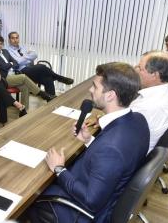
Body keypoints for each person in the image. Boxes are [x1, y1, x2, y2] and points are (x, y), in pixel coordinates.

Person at [28, 62, 149, 223]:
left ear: (110, 95)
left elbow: (90, 200)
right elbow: (113, 161)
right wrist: (88, 140)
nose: (90, 90)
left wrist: (59, 169)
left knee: (30, 195)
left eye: (95, 87)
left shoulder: (110, 149)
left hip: (81, 211)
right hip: (105, 187)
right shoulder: (139, 120)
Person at [132, 51, 168, 152]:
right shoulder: (166, 93)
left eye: (140, 68)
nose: (135, 70)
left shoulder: (149, 106)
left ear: (154, 75)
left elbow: (117, 131)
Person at [0, 35, 55, 109]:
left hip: (14, 75)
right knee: (23, 77)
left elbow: (16, 63)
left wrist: (10, 64)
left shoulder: (5, 51)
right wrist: (11, 63)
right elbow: (2, 66)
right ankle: (42, 94)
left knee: (25, 87)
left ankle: (24, 110)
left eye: (1, 44)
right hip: (4, 78)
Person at [7, 31, 73, 95]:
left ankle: (51, 101)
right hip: (21, 71)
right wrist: (28, 57)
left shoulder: (23, 47)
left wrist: (24, 58)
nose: (15, 40)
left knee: (48, 79)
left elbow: (35, 54)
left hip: (31, 70)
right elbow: (17, 62)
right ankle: (59, 78)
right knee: (41, 66)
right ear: (9, 40)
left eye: (17, 38)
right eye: (13, 38)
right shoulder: (7, 50)